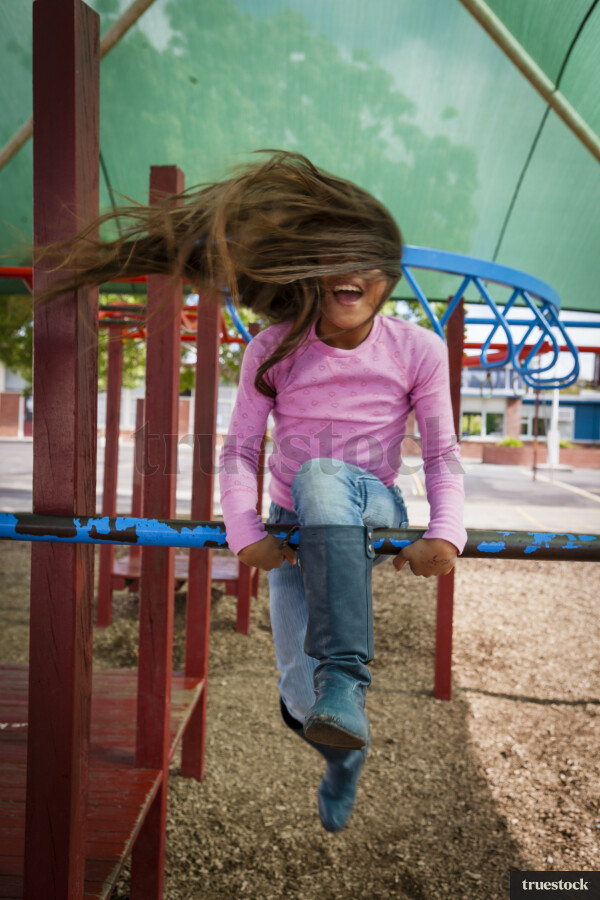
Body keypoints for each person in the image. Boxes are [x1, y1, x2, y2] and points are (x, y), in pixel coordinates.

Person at [38, 150, 467, 833]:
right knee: (300, 699)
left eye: (368, 259)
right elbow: (238, 451)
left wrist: (446, 531)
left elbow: (442, 452)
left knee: (323, 476)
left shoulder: (416, 348)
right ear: (309, 268)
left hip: (371, 511)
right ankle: (341, 756)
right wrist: (246, 532)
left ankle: (348, 678)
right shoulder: (274, 347)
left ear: (388, 276)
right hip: (294, 526)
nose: (351, 271)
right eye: (335, 255)